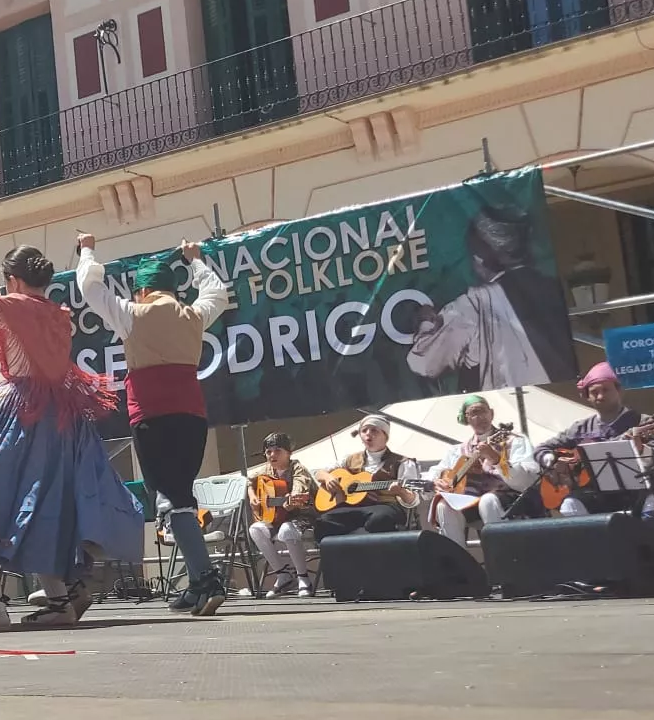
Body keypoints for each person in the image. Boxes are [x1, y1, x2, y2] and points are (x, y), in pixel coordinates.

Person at [0, 235, 143, 628]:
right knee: (51, 500)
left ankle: (57, 600)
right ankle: (67, 590)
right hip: (65, 416)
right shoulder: (58, 314)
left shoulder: (16, 307)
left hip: (24, 412)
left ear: (13, 280)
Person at [75, 233, 231, 614]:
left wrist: (88, 251)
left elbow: (90, 288)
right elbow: (217, 293)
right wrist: (196, 260)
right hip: (192, 417)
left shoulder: (132, 314)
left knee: (171, 499)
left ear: (143, 290)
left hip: (152, 418)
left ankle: (207, 579)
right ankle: (196, 582)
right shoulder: (193, 315)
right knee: (178, 493)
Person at [406, 204, 576, 390]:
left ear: (480, 255)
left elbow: (425, 364)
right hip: (564, 395)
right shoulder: (556, 288)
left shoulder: (475, 303)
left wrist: (426, 322)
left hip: (512, 401)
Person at [536, 362, 654, 517]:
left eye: (606, 390)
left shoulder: (643, 422)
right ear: (587, 396)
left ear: (619, 391)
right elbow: (542, 449)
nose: (600, 396)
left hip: (641, 491)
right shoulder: (580, 428)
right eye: (594, 392)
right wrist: (554, 462)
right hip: (596, 496)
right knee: (570, 504)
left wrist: (642, 450)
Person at [425, 396, 538, 558]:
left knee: (487, 500)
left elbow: (527, 481)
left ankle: (502, 560)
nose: (479, 417)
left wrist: (496, 459)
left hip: (509, 499)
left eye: (482, 411)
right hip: (472, 501)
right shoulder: (458, 450)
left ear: (491, 413)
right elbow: (436, 472)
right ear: (467, 419)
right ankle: (459, 565)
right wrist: (436, 482)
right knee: (444, 506)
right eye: (473, 413)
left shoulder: (515, 441)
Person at [313, 416, 424, 538]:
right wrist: (328, 478)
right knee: (324, 521)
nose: (368, 434)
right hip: (353, 508)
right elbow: (318, 473)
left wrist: (402, 492)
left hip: (385, 508)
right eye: (364, 430)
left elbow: (413, 501)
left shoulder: (402, 462)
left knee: (379, 519)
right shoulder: (350, 459)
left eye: (374, 430)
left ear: (385, 436)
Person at [245, 432, 319, 597]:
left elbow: (300, 487)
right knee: (255, 529)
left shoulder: (298, 469)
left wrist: (293, 499)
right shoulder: (266, 470)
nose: (272, 455)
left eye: (277, 451)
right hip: (277, 518)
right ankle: (283, 575)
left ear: (289, 453)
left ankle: (303, 578)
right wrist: (252, 495)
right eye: (268, 452)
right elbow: (249, 480)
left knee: (287, 529)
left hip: (304, 516)